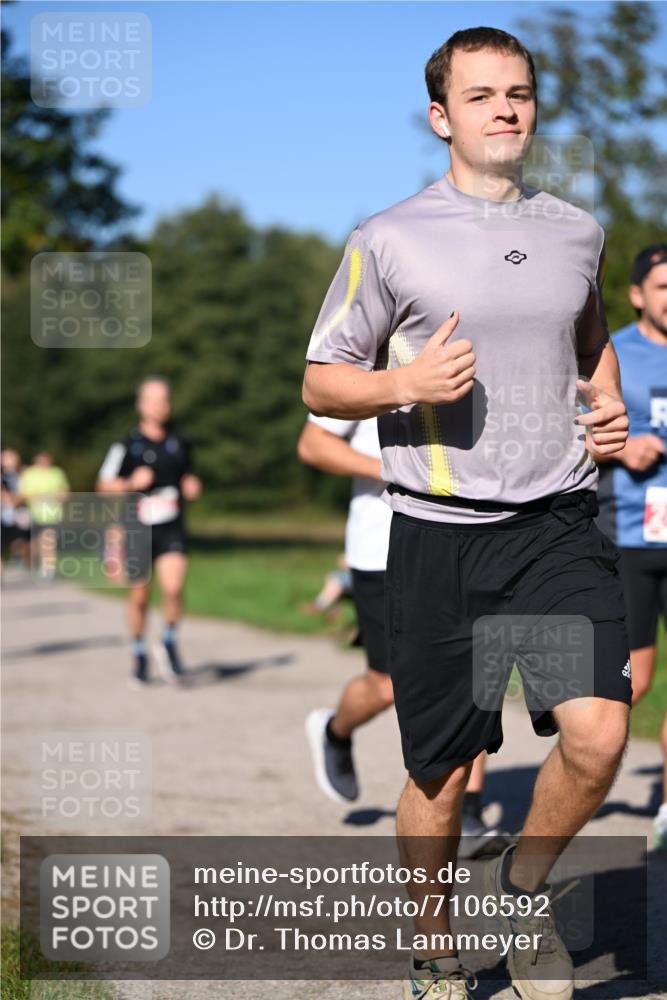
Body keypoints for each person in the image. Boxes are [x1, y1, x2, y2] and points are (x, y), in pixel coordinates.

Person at [302, 26, 631, 1000]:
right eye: (482, 95)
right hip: (438, 535)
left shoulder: (576, 229)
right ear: (441, 116)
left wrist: (602, 407)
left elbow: (590, 341)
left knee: (599, 734)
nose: (505, 109)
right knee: (443, 775)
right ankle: (433, 943)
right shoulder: (388, 237)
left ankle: (521, 886)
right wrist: (401, 379)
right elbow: (322, 380)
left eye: (519, 92)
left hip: (554, 526)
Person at [300, 414, 511, 858]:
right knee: (387, 684)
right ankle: (335, 730)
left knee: (475, 673)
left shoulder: (480, 353)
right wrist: (394, 469)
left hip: (468, 539)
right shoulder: (366, 354)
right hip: (382, 547)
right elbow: (313, 445)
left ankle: (467, 811)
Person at [596, 244, 667, 850]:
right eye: (664, 286)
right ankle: (575, 771)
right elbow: (567, 423)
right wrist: (623, 447)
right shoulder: (611, 350)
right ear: (638, 294)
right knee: (634, 682)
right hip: (631, 536)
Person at [96, 377, 202, 687]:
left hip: (172, 526)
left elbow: (188, 475)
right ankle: (139, 651)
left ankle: (168, 640)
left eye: (164, 400)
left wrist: (191, 484)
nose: (160, 406)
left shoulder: (179, 441)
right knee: (140, 596)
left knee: (173, 589)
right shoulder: (126, 445)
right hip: (137, 528)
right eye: (153, 400)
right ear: (140, 405)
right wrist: (130, 483)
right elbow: (103, 486)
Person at [18, 451, 69, 579]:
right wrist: (36, 496)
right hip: (33, 513)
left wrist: (60, 496)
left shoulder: (57, 472)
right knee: (33, 543)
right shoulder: (29, 473)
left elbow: (64, 491)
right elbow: (23, 493)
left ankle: (48, 569)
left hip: (52, 513)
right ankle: (31, 564)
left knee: (48, 541)